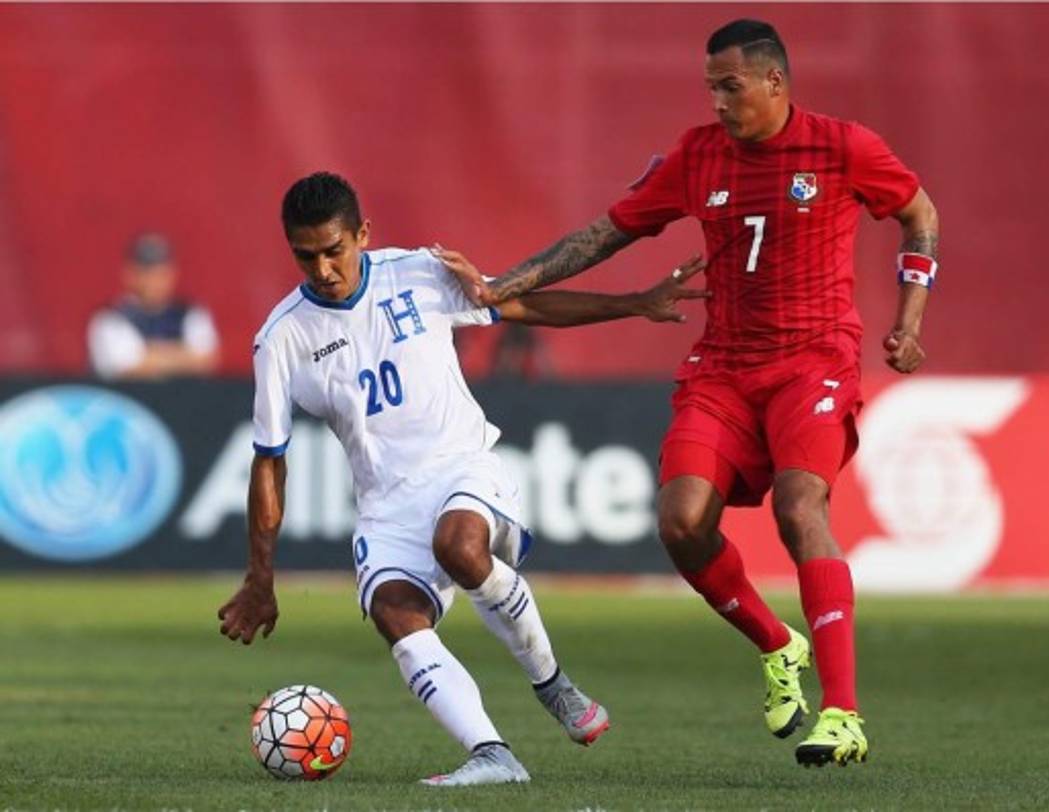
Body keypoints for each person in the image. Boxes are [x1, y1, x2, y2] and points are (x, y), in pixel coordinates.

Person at [450, 19, 940, 768]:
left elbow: (919, 213)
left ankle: (843, 713)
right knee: (680, 524)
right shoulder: (697, 154)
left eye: (730, 86)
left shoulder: (841, 147)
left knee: (800, 505)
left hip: (814, 359)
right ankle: (779, 647)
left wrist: (909, 320)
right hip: (723, 367)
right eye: (710, 86)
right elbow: (605, 233)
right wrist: (502, 285)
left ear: (775, 83)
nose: (717, 101)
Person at [216, 172, 706, 786]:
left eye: (334, 250)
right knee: (395, 615)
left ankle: (553, 685)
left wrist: (634, 302)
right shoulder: (282, 338)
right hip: (385, 506)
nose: (322, 268)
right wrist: (260, 576)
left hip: (463, 466)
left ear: (362, 234)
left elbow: (521, 305)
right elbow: (270, 459)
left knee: (459, 546)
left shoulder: (418, 274)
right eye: (305, 255)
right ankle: (493, 755)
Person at [87, 232, 220, 379]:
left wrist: (151, 353)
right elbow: (127, 366)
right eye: (147, 273)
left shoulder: (191, 314)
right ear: (130, 275)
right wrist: (182, 356)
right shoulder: (109, 319)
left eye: (161, 273)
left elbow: (206, 360)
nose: (155, 282)